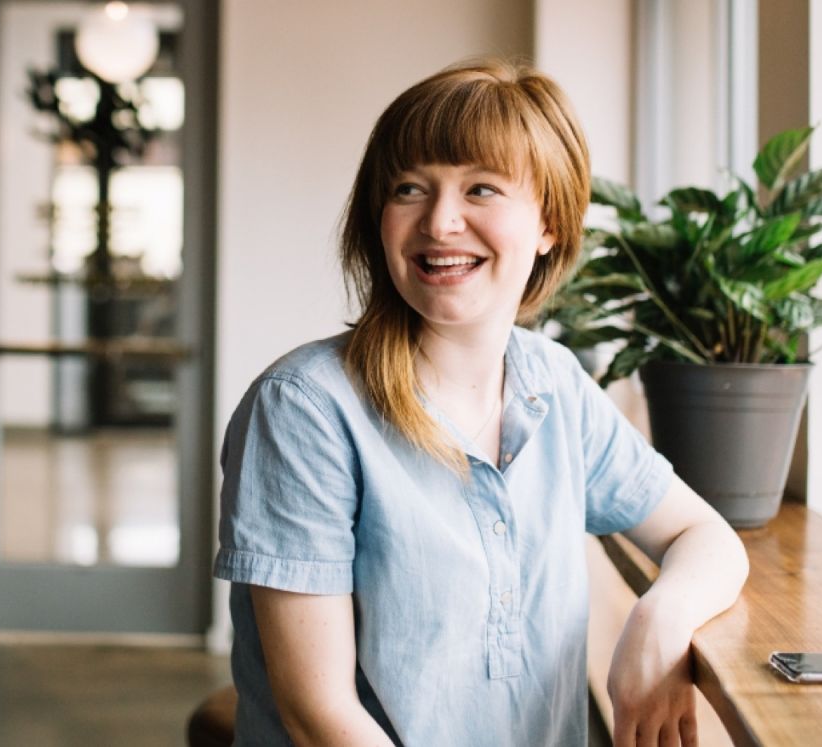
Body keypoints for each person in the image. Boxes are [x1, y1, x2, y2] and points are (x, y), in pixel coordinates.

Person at [213, 58, 749, 747]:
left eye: (481, 189)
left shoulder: (553, 382)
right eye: (409, 188)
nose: (440, 221)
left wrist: (660, 619)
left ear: (550, 222)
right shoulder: (303, 408)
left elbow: (706, 538)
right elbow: (321, 719)